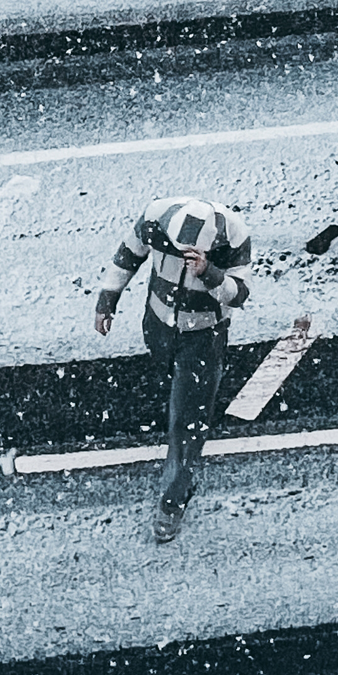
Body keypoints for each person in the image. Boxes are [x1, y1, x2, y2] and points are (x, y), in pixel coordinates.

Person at [94, 196, 252, 543]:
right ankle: (179, 442)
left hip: (203, 338)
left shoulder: (234, 236)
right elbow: (128, 255)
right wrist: (108, 298)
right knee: (172, 398)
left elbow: (239, 294)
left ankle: (173, 499)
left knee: (187, 420)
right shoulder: (155, 217)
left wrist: (209, 274)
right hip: (158, 327)